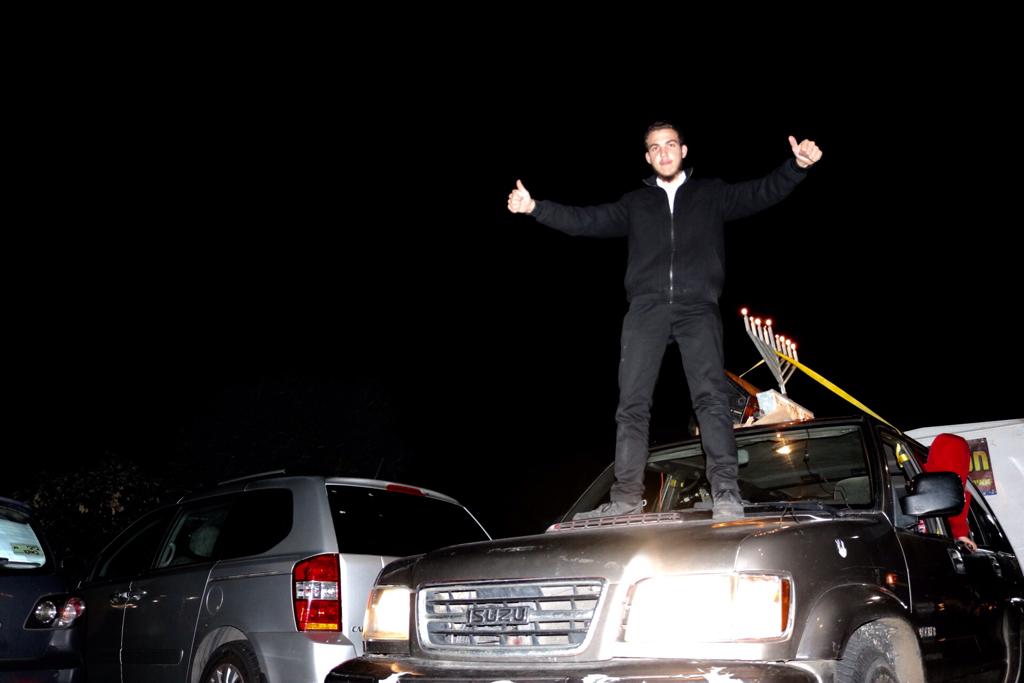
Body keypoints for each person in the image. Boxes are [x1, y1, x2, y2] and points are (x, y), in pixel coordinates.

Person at [507, 122, 822, 520]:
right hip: (646, 308)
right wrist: (535, 208)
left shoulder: (711, 194)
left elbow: (761, 192)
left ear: (683, 150)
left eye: (670, 144)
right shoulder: (636, 203)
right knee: (632, 403)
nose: (664, 152)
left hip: (698, 307)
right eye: (655, 147)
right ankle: (625, 499)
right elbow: (587, 220)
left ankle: (726, 494)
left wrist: (796, 167)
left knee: (711, 399)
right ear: (648, 157)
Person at [923, 433, 977, 552]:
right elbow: (954, 520)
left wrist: (960, 534)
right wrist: (960, 534)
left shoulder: (914, 478)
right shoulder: (958, 493)